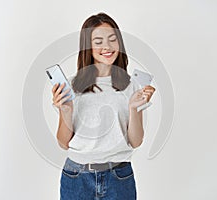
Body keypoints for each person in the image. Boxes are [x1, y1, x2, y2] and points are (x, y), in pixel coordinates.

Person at [51, 12, 155, 200]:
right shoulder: (72, 85)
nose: (107, 47)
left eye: (112, 40)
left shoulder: (131, 85)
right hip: (76, 179)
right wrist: (65, 110)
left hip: (119, 178)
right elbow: (63, 143)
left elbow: (136, 141)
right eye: (98, 41)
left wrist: (133, 108)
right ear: (88, 47)